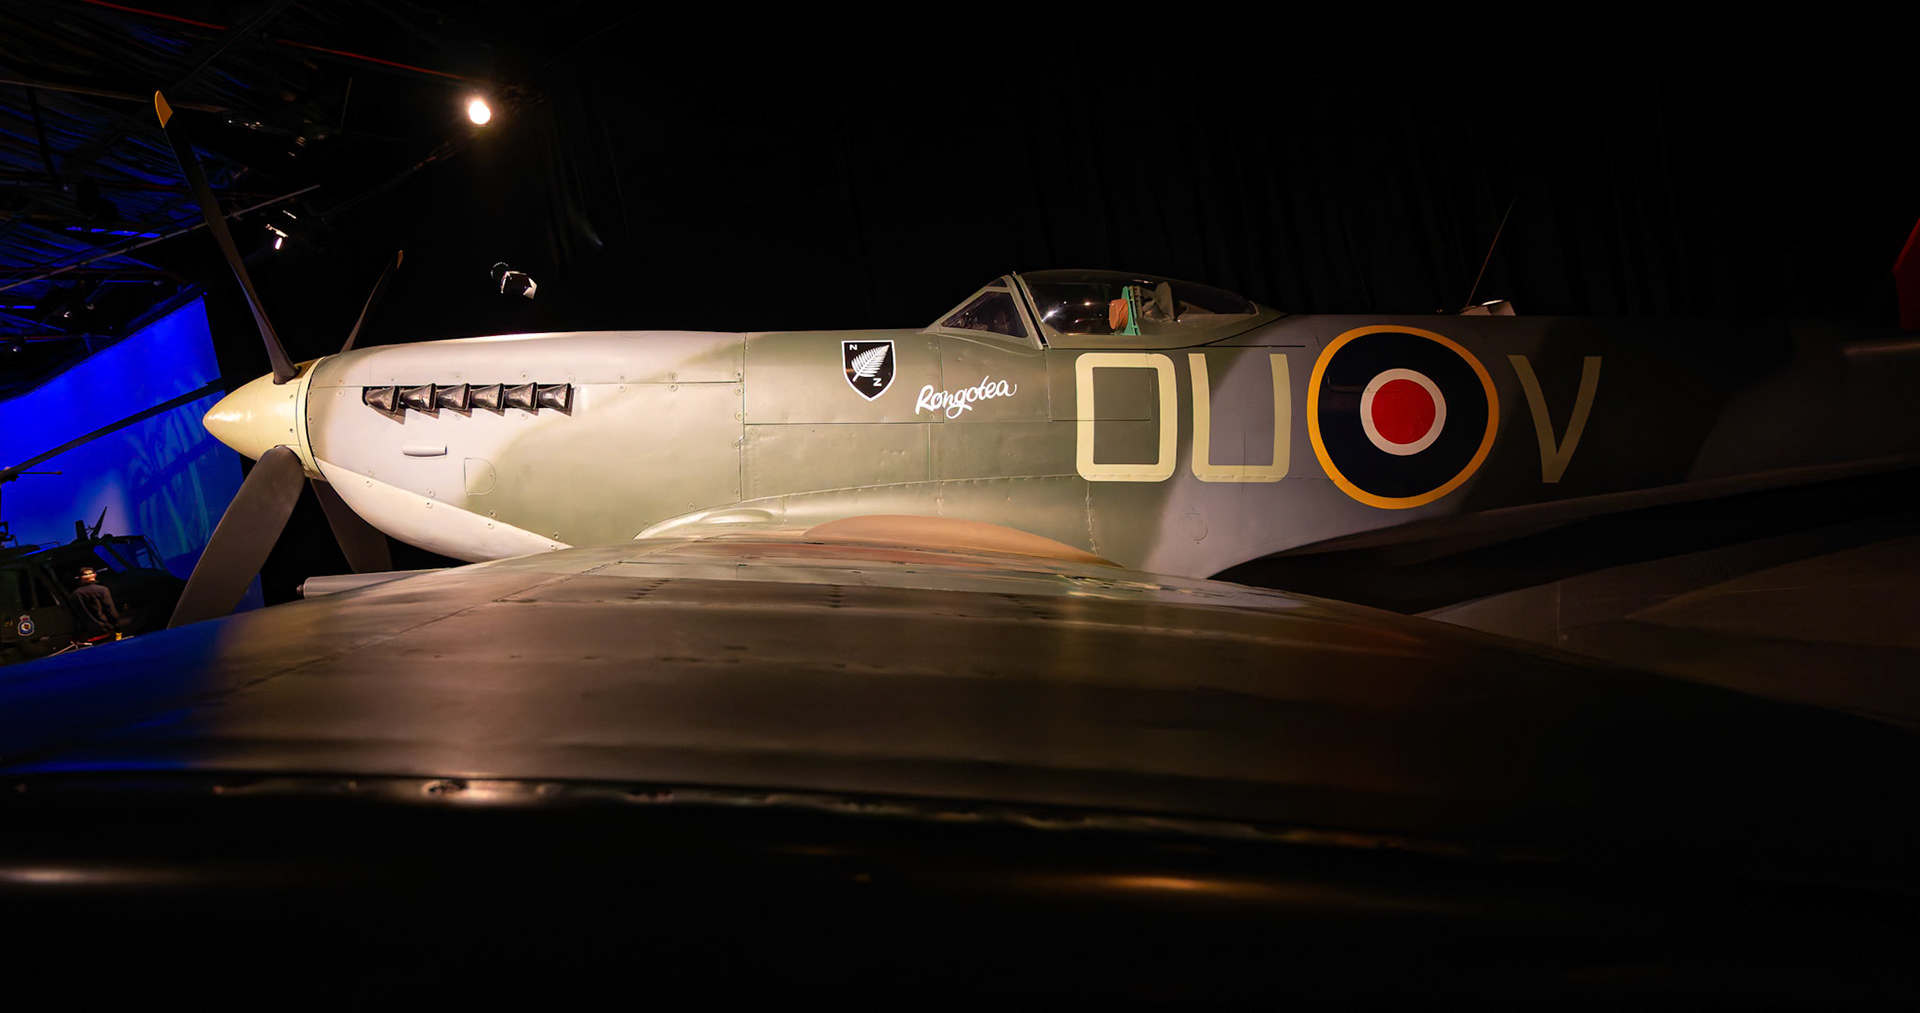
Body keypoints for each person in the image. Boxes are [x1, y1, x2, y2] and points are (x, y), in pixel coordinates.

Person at [71, 567, 121, 642]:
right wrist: (118, 627)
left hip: (88, 634)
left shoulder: (75, 595)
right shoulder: (102, 590)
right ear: (95, 575)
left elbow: (74, 616)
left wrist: (76, 634)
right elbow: (111, 611)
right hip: (106, 631)